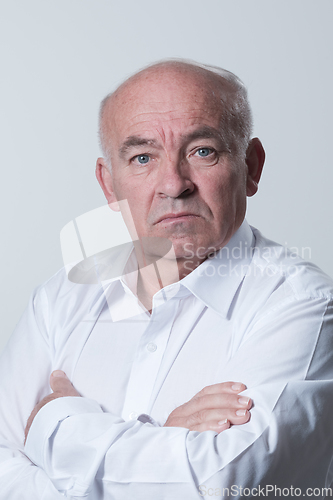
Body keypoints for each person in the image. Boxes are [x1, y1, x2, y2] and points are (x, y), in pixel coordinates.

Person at [1, 59, 333, 499]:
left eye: (202, 151)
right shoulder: (61, 298)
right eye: (142, 158)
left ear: (251, 166)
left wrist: (57, 423)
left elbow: (221, 486)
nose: (174, 184)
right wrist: (165, 437)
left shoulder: (305, 305)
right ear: (109, 185)